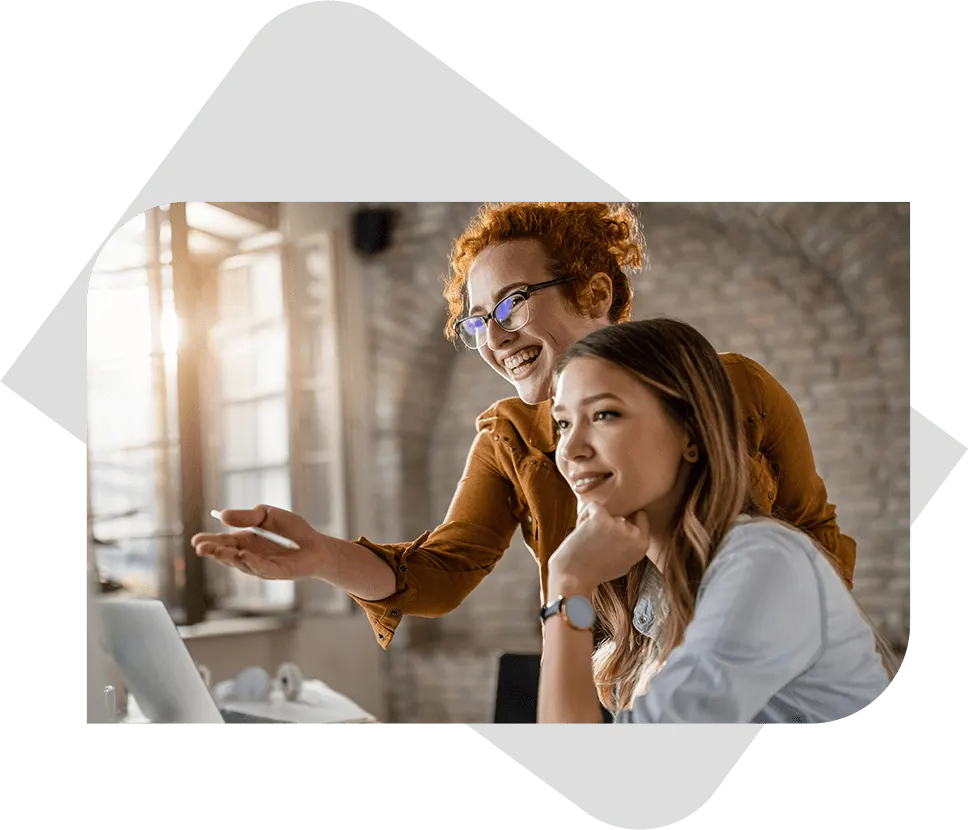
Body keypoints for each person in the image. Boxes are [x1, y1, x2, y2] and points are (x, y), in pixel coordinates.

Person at [192, 202, 858, 650]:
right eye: (477, 320)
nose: (493, 335)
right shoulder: (509, 435)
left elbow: (812, 532)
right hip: (594, 682)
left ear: (595, 294)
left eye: (510, 301)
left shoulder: (734, 386)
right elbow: (443, 572)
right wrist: (322, 558)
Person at [538, 318, 896, 725]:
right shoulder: (652, 596)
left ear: (690, 434)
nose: (570, 449)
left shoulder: (764, 562)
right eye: (563, 423)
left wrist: (567, 584)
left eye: (604, 414)